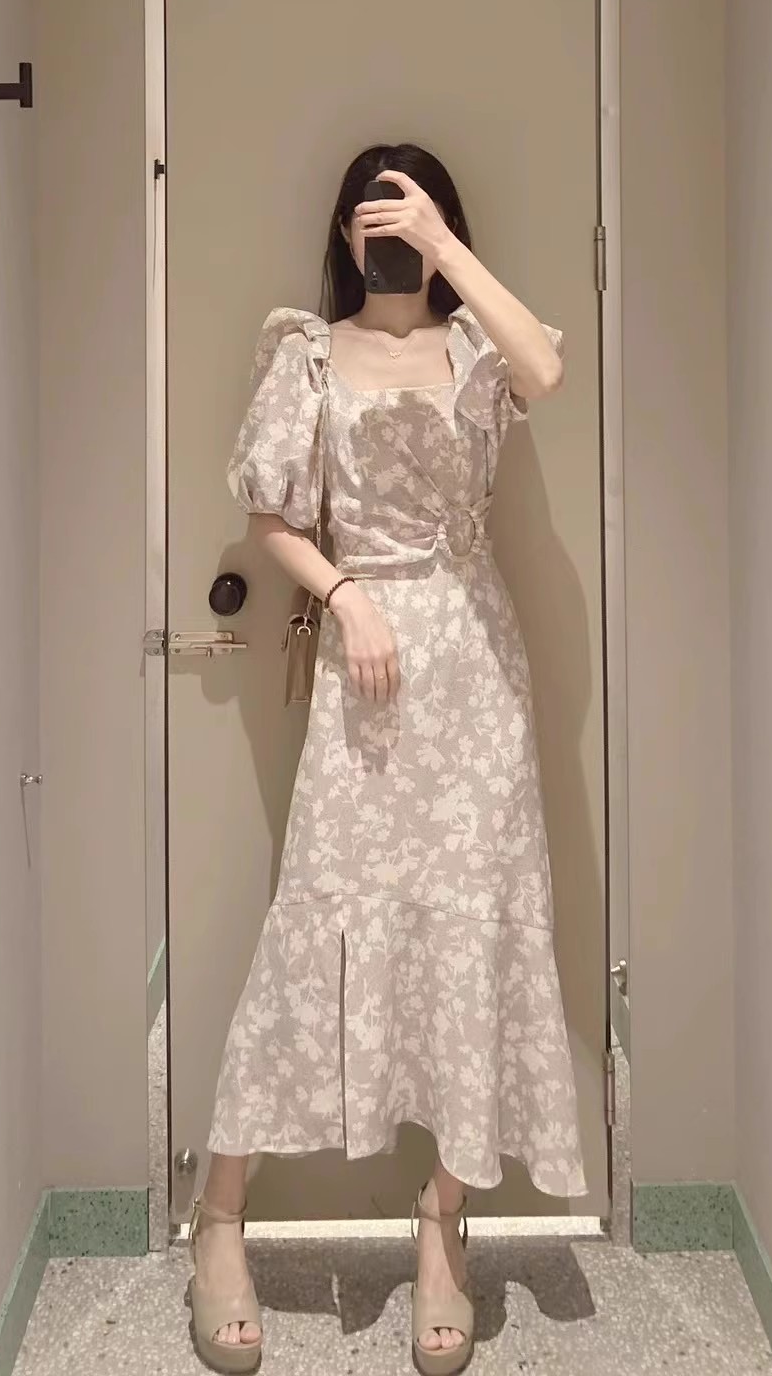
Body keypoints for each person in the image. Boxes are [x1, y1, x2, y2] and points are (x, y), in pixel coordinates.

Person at [185, 142, 587, 1376]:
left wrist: (451, 251)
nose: (393, 240)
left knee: (473, 922)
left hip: (476, 671)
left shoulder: (477, 348)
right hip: (368, 669)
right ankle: (219, 1214)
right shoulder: (309, 351)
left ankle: (443, 1218)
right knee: (318, 915)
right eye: (375, 221)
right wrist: (346, 591)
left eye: (411, 219)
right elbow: (269, 514)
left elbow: (547, 370)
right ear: (344, 234)